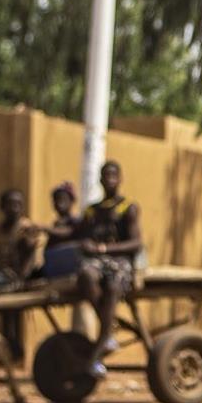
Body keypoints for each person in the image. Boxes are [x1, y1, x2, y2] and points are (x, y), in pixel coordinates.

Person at [73, 161, 143, 378]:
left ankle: (101, 344)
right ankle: (107, 328)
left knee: (113, 286)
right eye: (106, 175)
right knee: (86, 276)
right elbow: (76, 234)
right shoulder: (92, 211)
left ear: (120, 178)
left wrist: (103, 248)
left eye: (114, 175)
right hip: (96, 262)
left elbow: (136, 243)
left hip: (120, 261)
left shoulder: (127, 208)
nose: (110, 179)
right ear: (101, 180)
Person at [0, 188, 43, 358]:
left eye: (18, 204)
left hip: (17, 278)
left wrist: (21, 278)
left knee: (11, 314)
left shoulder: (25, 229)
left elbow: (31, 256)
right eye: (10, 204)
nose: (14, 208)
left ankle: (13, 347)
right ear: (2, 207)